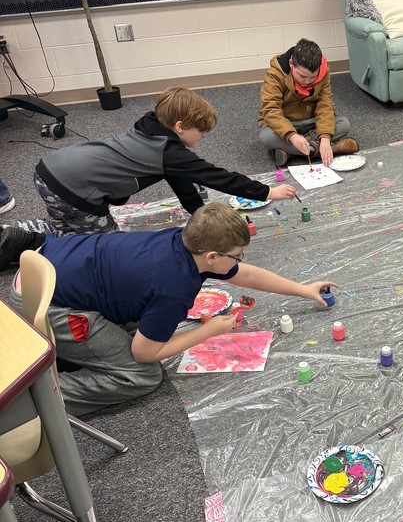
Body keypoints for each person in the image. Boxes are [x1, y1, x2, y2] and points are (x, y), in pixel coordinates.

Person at [8, 202, 337, 417]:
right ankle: (32, 397)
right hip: (46, 300)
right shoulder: (174, 288)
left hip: (44, 263)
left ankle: (66, 354)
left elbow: (245, 275)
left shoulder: (182, 240)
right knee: (142, 376)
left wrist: (301, 290)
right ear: (212, 257)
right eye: (237, 255)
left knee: (136, 325)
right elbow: (144, 353)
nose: (240, 261)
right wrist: (208, 330)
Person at [0, 86, 299, 270]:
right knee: (103, 252)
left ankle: (13, 236)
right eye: (202, 132)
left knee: (74, 229)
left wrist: (204, 220)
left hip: (53, 170)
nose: (204, 137)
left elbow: (184, 187)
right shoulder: (170, 153)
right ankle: (27, 245)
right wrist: (266, 192)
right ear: (180, 126)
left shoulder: (153, 130)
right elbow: (216, 176)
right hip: (72, 188)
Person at [258, 38, 359, 168]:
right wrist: (292, 136)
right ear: (291, 64)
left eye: (312, 77)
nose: (307, 82)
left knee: (344, 124)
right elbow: (271, 110)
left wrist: (325, 138)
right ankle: (332, 148)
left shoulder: (323, 73)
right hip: (286, 122)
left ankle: (293, 153)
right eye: (302, 76)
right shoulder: (274, 75)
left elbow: (325, 105)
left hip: (311, 122)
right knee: (267, 137)